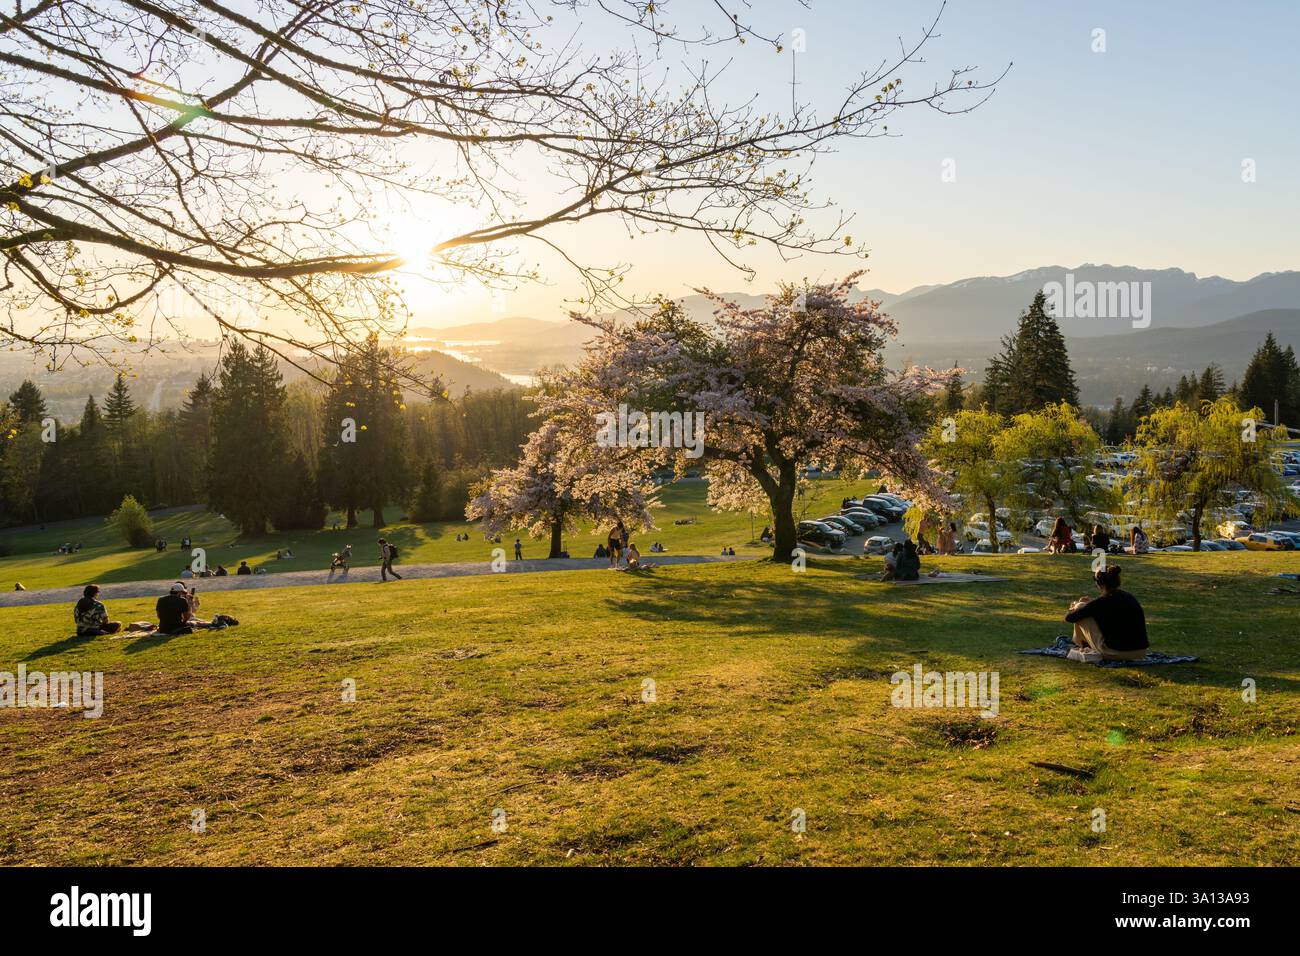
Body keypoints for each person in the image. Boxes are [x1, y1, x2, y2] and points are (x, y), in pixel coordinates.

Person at [1064, 564, 1149, 661]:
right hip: (1140, 653)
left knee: (1079, 608)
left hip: (1115, 653)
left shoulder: (1100, 603)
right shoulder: (1129, 597)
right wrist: (1089, 605)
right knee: (1083, 609)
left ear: (1099, 583)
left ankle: (1082, 644)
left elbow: (1069, 617)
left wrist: (1076, 607)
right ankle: (1084, 644)